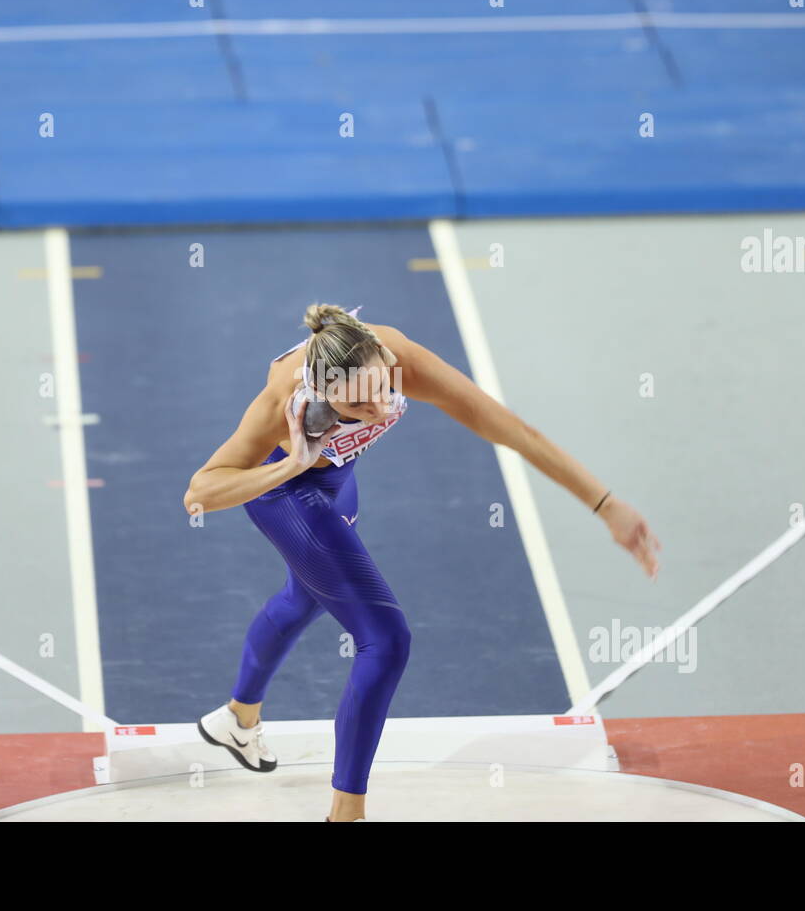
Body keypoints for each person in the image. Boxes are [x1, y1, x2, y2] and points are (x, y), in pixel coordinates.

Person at [185, 303, 660, 821]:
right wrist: (295, 463)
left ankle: (238, 719)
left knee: (307, 595)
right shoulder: (285, 401)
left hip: (335, 485)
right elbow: (202, 491)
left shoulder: (397, 355)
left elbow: (508, 427)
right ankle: (346, 814)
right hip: (284, 493)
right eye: (355, 406)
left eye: (379, 392)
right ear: (320, 397)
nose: (377, 409)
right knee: (386, 641)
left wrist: (605, 504)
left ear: (385, 358)